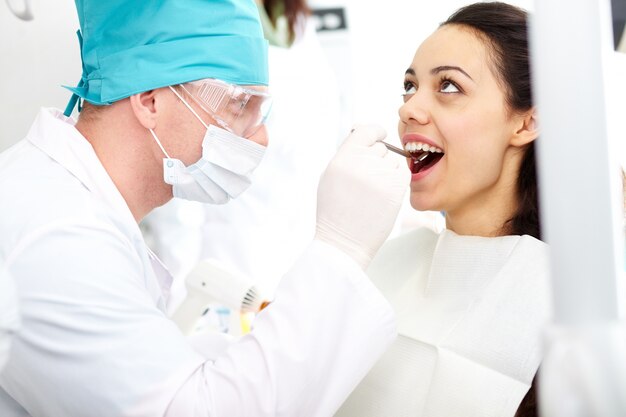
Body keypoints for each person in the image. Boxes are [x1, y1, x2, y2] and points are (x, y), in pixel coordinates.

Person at [0, 0, 409, 415]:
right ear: (148, 100)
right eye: (237, 105)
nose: (260, 138)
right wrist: (342, 248)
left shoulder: (68, 204)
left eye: (259, 110)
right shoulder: (60, 238)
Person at [335, 3, 550, 417]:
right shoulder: (390, 263)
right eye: (410, 85)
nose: (408, 108)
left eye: (449, 86)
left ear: (526, 123)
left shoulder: (572, 304)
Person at [142, 0, 343, 300]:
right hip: (226, 267)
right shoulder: (204, 17)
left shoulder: (294, 21)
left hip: (297, 260)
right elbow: (179, 169)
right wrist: (179, 293)